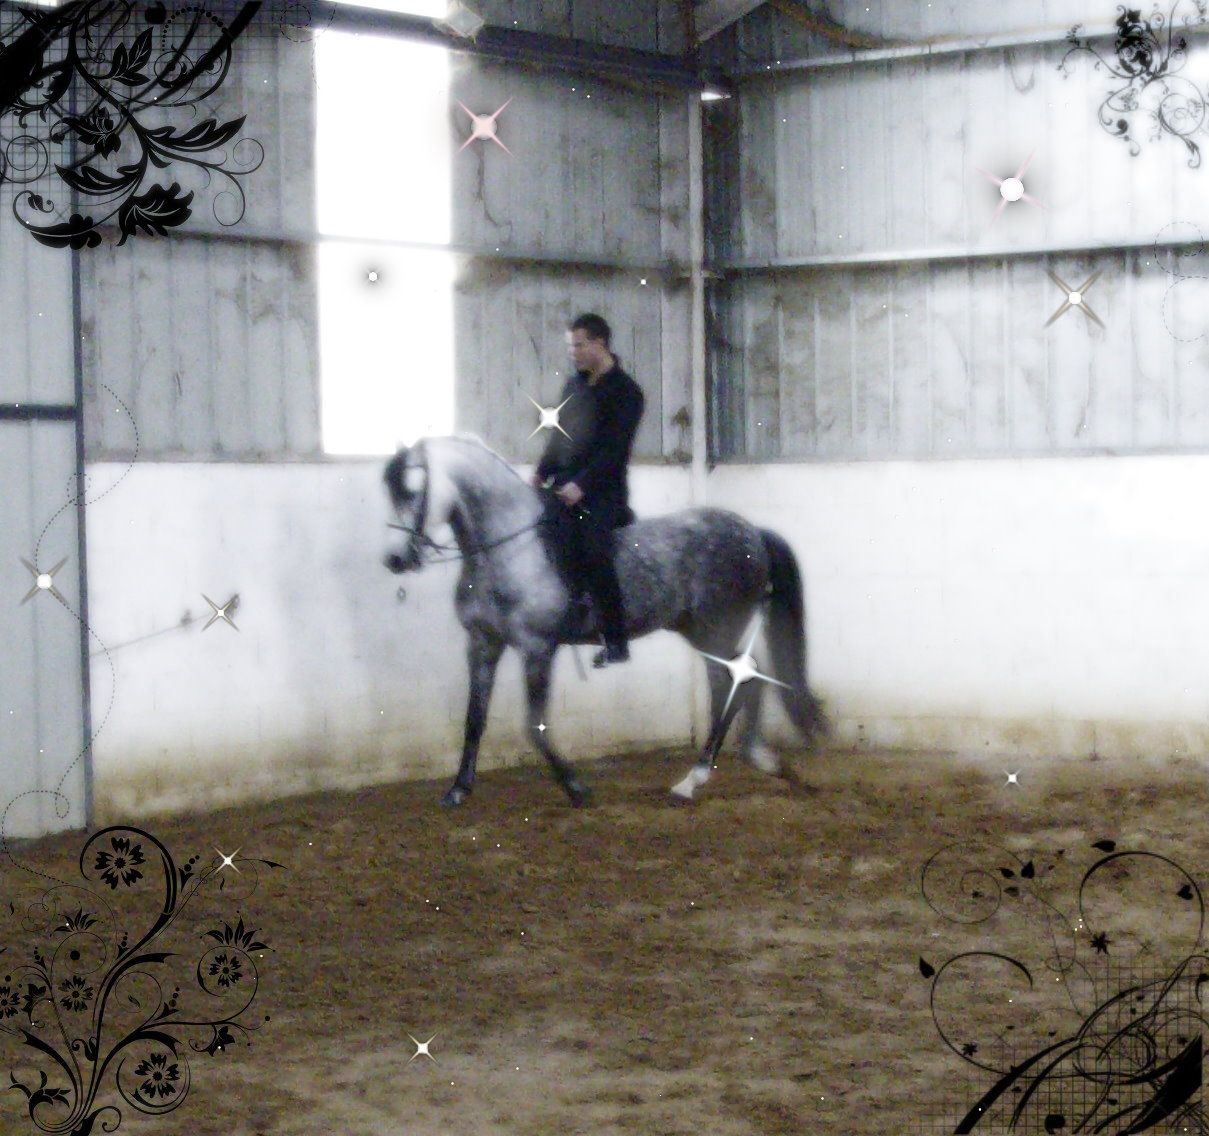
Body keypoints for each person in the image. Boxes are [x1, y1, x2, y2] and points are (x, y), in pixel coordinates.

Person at [531, 313, 645, 667]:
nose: (573, 353)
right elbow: (559, 437)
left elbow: (615, 451)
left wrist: (582, 485)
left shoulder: (627, 392)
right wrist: (541, 472)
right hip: (564, 485)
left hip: (603, 494)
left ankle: (615, 639)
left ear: (600, 343)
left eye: (579, 346)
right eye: (571, 347)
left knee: (595, 551)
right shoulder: (573, 386)